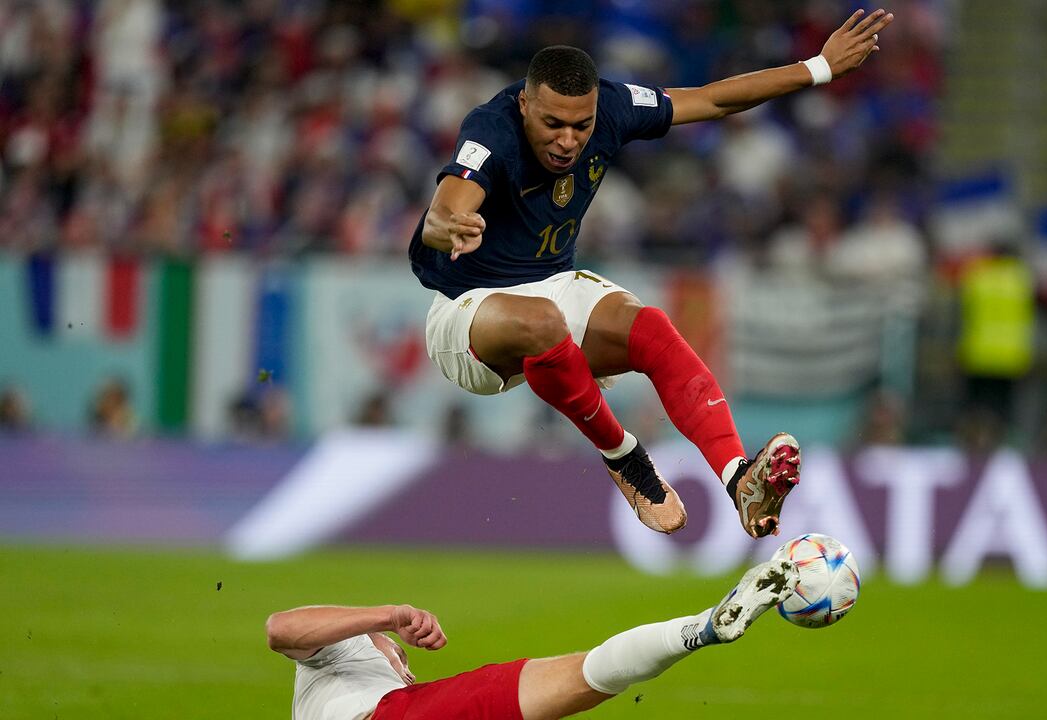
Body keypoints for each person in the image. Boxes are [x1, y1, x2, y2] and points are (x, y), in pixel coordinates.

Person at [409, 9, 895, 538]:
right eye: (553, 124)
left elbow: (710, 99)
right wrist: (450, 224)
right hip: (467, 309)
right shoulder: (491, 128)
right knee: (544, 322)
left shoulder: (615, 106)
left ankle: (740, 483)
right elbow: (443, 209)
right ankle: (624, 456)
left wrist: (819, 67)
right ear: (525, 105)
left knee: (653, 330)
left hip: (551, 282)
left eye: (582, 125)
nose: (569, 140)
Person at [266, 558, 799, 720]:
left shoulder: (386, 677)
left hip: (409, 710)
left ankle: (703, 628)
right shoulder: (337, 648)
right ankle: (702, 628)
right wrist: (386, 616)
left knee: (579, 676)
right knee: (577, 674)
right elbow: (280, 629)